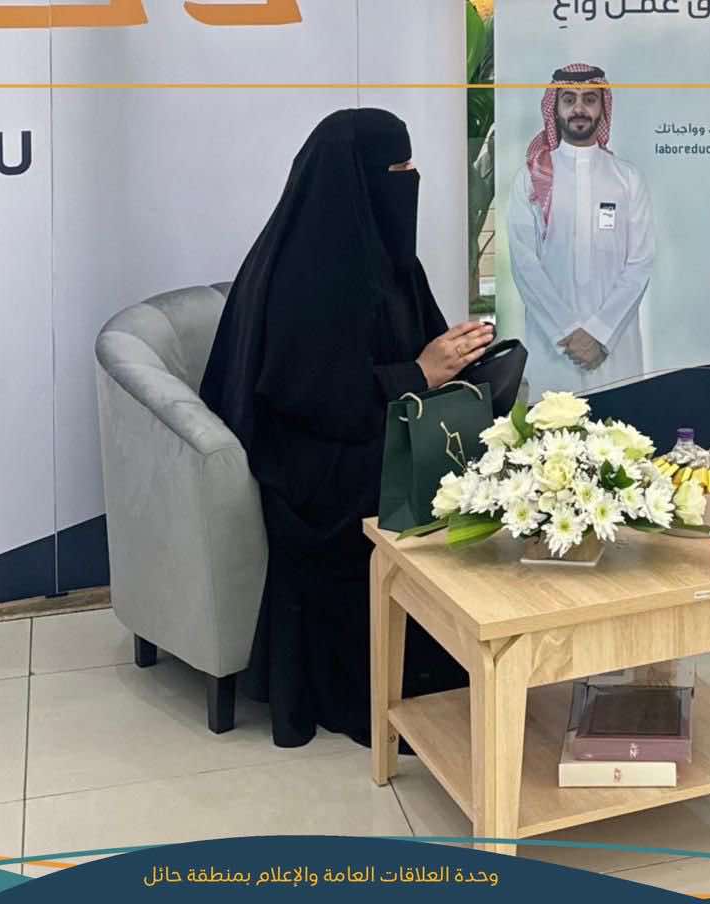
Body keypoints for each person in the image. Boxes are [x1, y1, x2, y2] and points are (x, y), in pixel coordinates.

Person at [199, 109, 495, 748]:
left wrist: (459, 355)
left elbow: (417, 352)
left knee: (486, 459)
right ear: (358, 180)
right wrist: (418, 372)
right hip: (311, 464)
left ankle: (491, 645)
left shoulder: (390, 259)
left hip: (370, 427)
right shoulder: (307, 272)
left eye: (412, 166)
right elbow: (311, 398)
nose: (410, 180)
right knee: (430, 484)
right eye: (398, 169)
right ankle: (409, 672)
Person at [507, 63, 656, 395]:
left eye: (589, 99)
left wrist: (600, 333)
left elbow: (640, 263)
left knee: (622, 425)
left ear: (602, 108)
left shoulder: (627, 179)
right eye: (569, 99)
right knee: (553, 426)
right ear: (555, 108)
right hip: (555, 349)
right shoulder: (532, 179)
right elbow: (524, 263)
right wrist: (567, 332)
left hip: (615, 348)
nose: (579, 108)